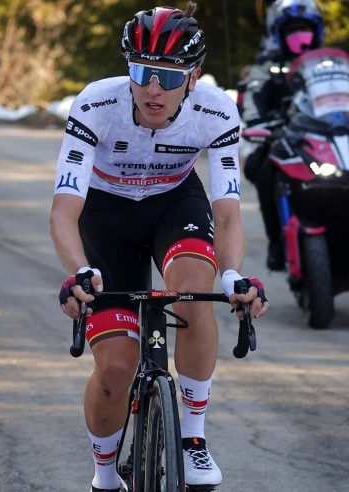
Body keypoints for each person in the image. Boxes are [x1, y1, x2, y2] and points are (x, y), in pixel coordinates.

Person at [50, 4, 268, 491]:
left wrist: (233, 274)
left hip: (175, 203)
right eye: (142, 72)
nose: (153, 89)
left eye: (168, 78)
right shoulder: (95, 104)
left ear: (193, 78)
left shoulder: (215, 110)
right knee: (115, 370)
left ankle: (192, 438)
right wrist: (79, 271)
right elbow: (64, 210)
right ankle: (105, 477)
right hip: (106, 214)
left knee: (194, 294)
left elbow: (228, 210)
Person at [238, 0, 325, 271]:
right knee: (264, 173)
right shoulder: (268, 66)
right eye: (292, 29)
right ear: (278, 32)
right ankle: (277, 243)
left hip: (326, 138)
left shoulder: (327, 63)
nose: (300, 34)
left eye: (305, 28)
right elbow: (253, 97)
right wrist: (256, 120)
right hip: (283, 137)